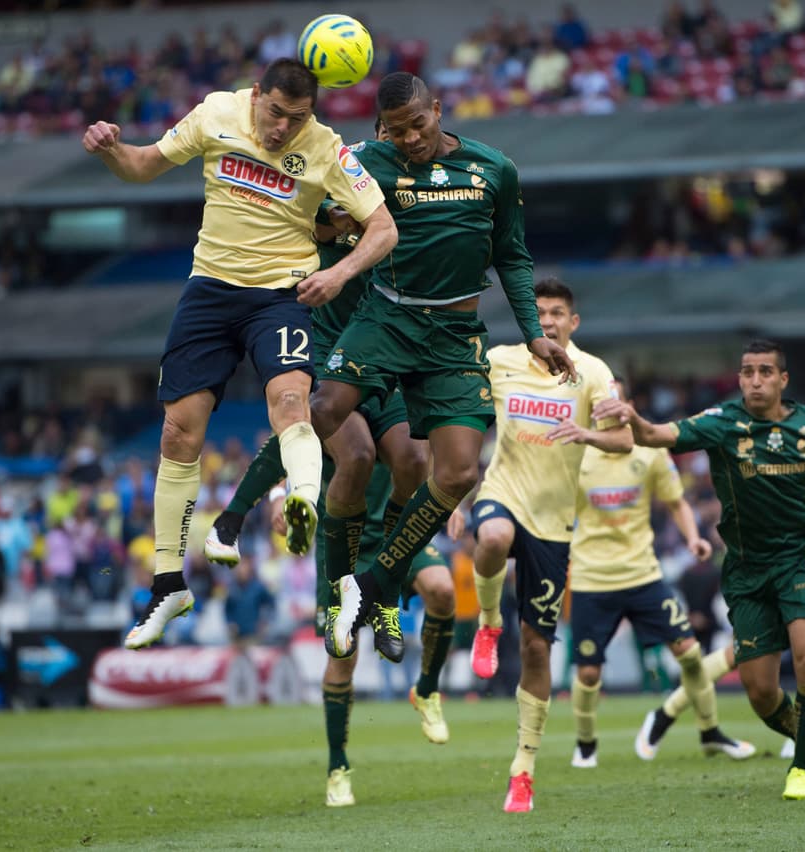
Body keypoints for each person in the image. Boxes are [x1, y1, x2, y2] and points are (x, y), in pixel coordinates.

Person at [82, 58, 397, 650]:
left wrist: (339, 275)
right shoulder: (216, 113)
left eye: (296, 118)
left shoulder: (327, 149)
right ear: (257, 96)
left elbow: (381, 229)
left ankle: (301, 501)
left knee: (289, 397)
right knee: (179, 431)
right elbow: (142, 165)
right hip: (208, 290)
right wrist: (109, 149)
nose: (282, 128)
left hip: (279, 296)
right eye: (275, 112)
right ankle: (169, 585)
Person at [310, 72, 577, 663]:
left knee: (455, 473)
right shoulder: (367, 160)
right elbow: (319, 218)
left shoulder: (494, 170)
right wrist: (333, 224)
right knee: (326, 409)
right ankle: (336, 583)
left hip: (454, 334)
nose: (408, 138)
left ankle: (375, 587)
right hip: (386, 318)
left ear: (438, 109)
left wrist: (534, 335)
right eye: (396, 129)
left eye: (417, 124)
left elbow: (511, 254)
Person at [592, 339, 805, 801]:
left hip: (800, 558)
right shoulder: (722, 422)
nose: (756, 380)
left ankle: (800, 769)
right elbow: (657, 437)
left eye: (766, 371)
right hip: (746, 569)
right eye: (748, 372)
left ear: (783, 379)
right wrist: (636, 419)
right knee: (760, 692)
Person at [205, 118, 429, 666]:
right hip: (325, 353)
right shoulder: (326, 180)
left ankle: (383, 596)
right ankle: (331, 594)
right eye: (384, 131)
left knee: (412, 460)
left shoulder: (401, 204)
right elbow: (297, 214)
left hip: (385, 359)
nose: (393, 141)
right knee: (351, 455)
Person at [446, 277, 628, 813]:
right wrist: (456, 497)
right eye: (538, 311)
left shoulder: (593, 373)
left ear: (573, 323)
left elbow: (623, 438)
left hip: (554, 524)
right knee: (493, 536)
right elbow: (462, 419)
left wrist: (589, 434)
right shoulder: (501, 360)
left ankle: (522, 768)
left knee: (536, 648)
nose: (546, 320)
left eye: (556, 313)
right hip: (502, 494)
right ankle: (485, 622)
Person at [563, 377, 754, 769]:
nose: (609, 405)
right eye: (603, 399)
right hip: (590, 579)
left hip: (642, 575)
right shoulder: (577, 454)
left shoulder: (648, 452)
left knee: (690, 653)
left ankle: (710, 731)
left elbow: (676, 502)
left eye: (617, 398)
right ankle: (585, 743)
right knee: (587, 672)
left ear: (629, 404)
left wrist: (693, 538)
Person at [278, 460, 456, 808]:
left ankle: (426, 690)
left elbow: (429, 445)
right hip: (345, 541)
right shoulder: (330, 406)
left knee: (443, 590)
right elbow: (288, 442)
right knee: (343, 655)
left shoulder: (398, 405)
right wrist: (275, 497)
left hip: (399, 530)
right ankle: (337, 767)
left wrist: (454, 501)